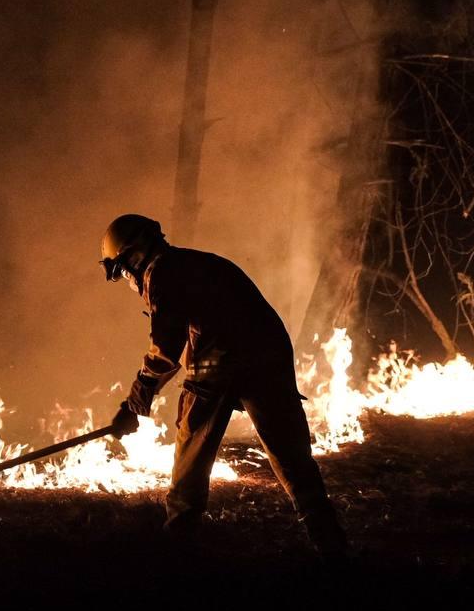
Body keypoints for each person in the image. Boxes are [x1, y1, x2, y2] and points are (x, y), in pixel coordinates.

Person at [100, 213, 348, 561]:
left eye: (122, 271)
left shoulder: (162, 274)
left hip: (218, 365)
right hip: (269, 358)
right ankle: (332, 546)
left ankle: (177, 548)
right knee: (293, 460)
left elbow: (165, 351)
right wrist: (139, 403)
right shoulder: (197, 263)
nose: (126, 280)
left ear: (133, 258)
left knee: (191, 457)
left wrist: (134, 403)